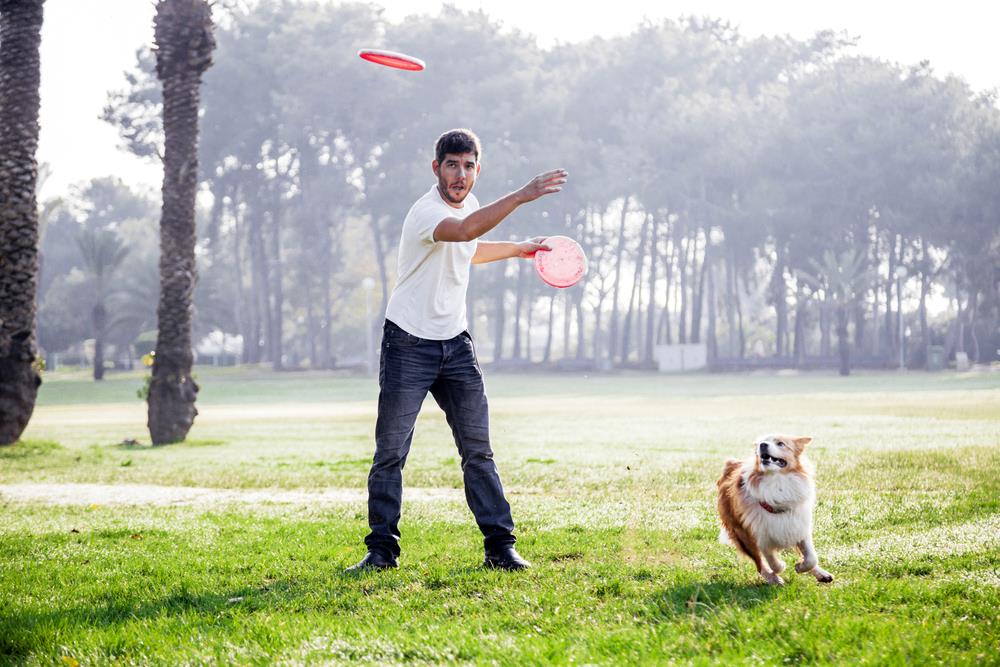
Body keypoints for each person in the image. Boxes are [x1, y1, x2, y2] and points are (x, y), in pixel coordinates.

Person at [347, 128, 567, 572]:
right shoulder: (425, 212)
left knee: (478, 450)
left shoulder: (467, 208)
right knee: (391, 452)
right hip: (408, 343)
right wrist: (522, 195)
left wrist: (518, 248)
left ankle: (500, 547)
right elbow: (464, 230)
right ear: (436, 168)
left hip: (456, 347)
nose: (460, 174)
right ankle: (381, 552)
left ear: (477, 170)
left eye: (468, 166)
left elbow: (469, 246)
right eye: (452, 164)